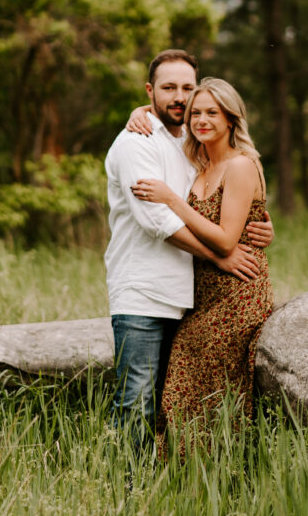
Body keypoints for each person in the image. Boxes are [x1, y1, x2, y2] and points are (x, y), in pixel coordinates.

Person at [104, 50, 274, 443]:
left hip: (190, 296)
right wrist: (222, 253)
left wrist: (262, 228)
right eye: (168, 88)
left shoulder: (188, 145)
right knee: (137, 401)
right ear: (150, 92)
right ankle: (123, 491)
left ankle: (183, 485)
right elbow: (156, 220)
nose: (180, 99)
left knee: (175, 403)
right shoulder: (137, 139)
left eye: (187, 89)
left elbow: (230, 204)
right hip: (143, 294)